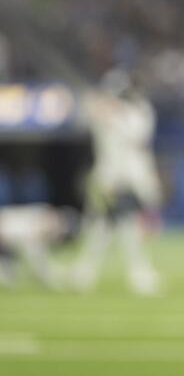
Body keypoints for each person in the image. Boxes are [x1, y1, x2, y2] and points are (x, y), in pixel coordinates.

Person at [73, 69, 162, 295]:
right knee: (108, 224)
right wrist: (96, 106)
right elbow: (83, 118)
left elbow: (138, 137)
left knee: (120, 224)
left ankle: (88, 270)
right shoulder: (102, 111)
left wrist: (115, 113)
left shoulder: (137, 111)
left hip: (131, 174)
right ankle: (132, 272)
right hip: (110, 174)